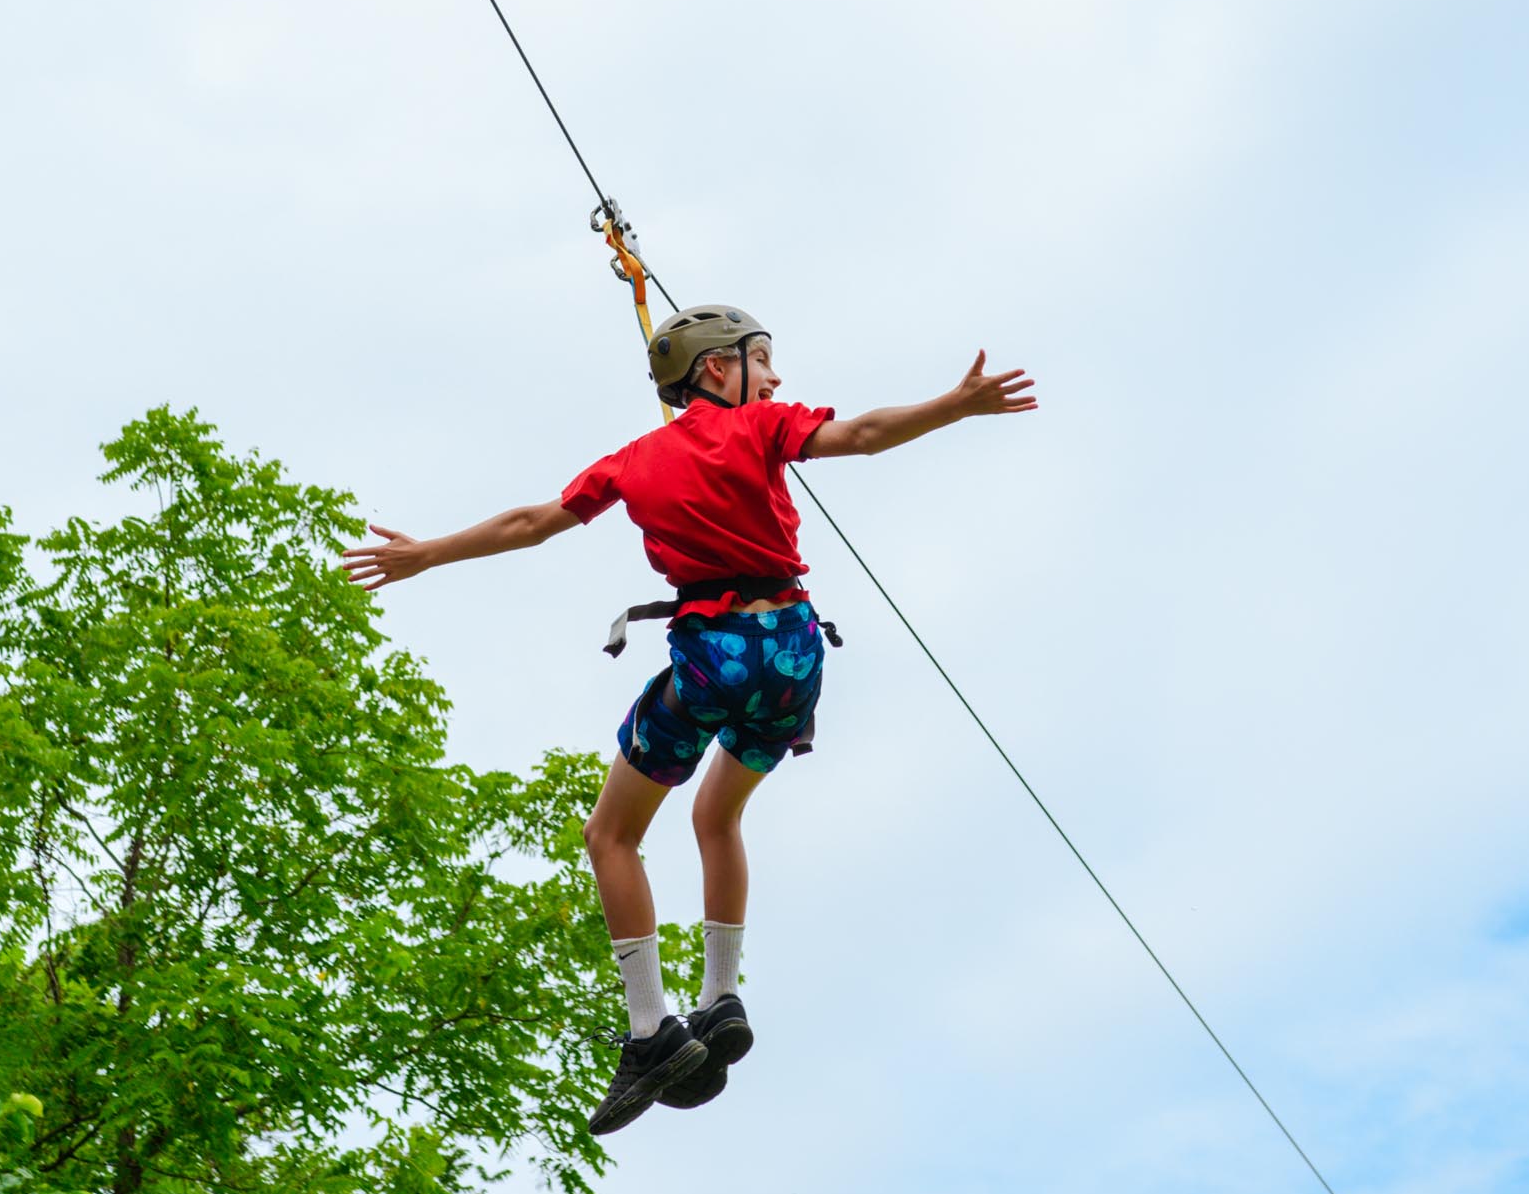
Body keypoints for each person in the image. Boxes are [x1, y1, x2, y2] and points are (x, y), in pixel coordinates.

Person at [340, 305, 1036, 1135]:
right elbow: (862, 435)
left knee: (611, 837)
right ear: (715, 370)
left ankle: (651, 1032)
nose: (776, 379)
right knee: (717, 815)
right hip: (794, 654)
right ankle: (721, 999)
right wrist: (951, 407)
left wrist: (427, 555)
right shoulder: (764, 428)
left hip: (719, 656)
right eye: (763, 361)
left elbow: (532, 524)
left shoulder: (633, 463)